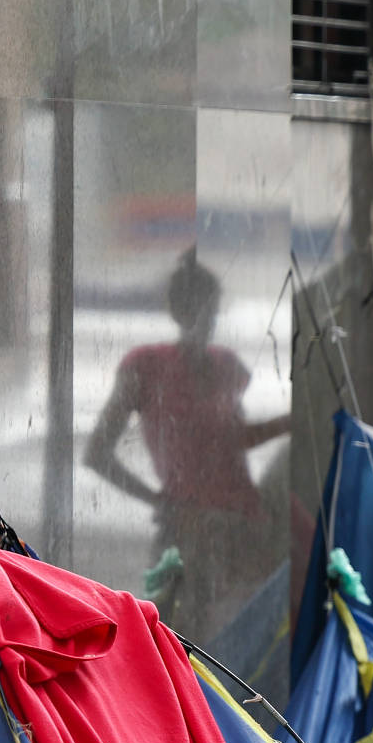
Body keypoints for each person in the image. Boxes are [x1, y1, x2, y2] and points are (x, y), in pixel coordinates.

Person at [85, 250, 291, 638]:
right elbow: (98, 453)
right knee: (180, 642)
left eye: (212, 313)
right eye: (201, 311)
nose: (208, 323)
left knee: (242, 645)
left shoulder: (225, 366)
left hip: (245, 531)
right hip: (189, 533)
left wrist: (288, 423)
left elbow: (236, 439)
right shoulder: (145, 367)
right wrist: (159, 500)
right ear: (178, 312)